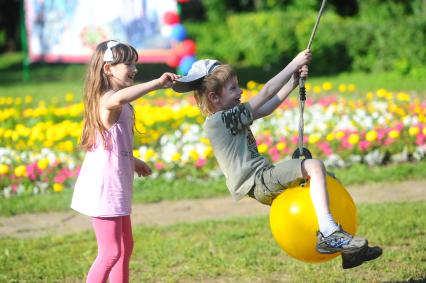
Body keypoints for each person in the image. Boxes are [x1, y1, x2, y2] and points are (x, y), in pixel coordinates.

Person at [172, 50, 382, 269]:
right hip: (258, 181)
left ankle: (349, 253)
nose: (240, 90)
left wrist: (292, 83)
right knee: (314, 166)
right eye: (233, 88)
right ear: (214, 97)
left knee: (326, 178)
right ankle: (329, 233)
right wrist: (293, 63)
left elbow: (268, 106)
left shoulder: (230, 115)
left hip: (261, 180)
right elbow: (267, 91)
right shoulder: (221, 120)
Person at [71, 40, 179, 283]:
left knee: (125, 246)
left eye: (135, 63)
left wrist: (133, 160)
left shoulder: (120, 102)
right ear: (108, 68)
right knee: (110, 252)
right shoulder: (107, 100)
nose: (135, 69)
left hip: (115, 186)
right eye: (128, 64)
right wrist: (156, 84)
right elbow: (118, 99)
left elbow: (111, 146)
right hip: (104, 188)